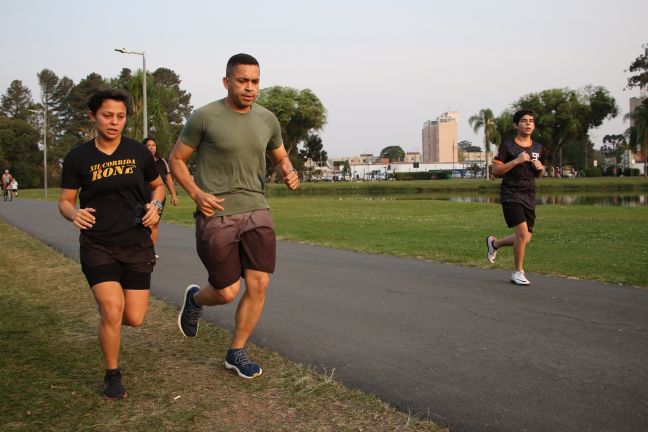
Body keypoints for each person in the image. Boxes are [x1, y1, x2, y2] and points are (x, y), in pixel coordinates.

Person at [169, 53, 299, 379]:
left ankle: (236, 351)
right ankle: (196, 299)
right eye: (242, 81)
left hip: (257, 209)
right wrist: (197, 194)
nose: (250, 88)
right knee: (226, 292)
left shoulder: (267, 119)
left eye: (255, 81)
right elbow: (176, 160)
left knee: (259, 284)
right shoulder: (204, 117)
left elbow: (281, 156)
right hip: (218, 214)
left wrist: (288, 170)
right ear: (226, 81)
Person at [58, 89, 165, 399]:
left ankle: (111, 314)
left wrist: (155, 206)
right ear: (93, 116)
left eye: (120, 116)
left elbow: (157, 187)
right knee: (112, 309)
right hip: (98, 244)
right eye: (107, 115)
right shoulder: (79, 157)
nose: (114, 122)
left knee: (134, 317)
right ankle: (112, 374)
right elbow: (65, 201)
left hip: (136, 244)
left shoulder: (139, 153)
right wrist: (74, 213)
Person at [485, 109, 544, 285]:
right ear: (515, 124)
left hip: (529, 194)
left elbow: (539, 174)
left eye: (531, 121)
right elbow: (495, 171)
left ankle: (494, 244)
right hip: (510, 193)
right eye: (524, 121)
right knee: (521, 234)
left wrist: (540, 169)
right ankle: (518, 272)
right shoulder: (508, 145)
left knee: (526, 238)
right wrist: (516, 161)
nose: (528, 124)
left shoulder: (538, 147)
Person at [143, 137, 179, 250]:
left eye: (153, 145)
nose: (151, 147)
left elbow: (168, 179)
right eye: (148, 145)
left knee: (155, 223)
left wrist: (173, 195)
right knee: (144, 223)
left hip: (159, 197)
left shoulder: (162, 161)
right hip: (143, 196)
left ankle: (151, 250)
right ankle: (140, 250)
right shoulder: (139, 160)